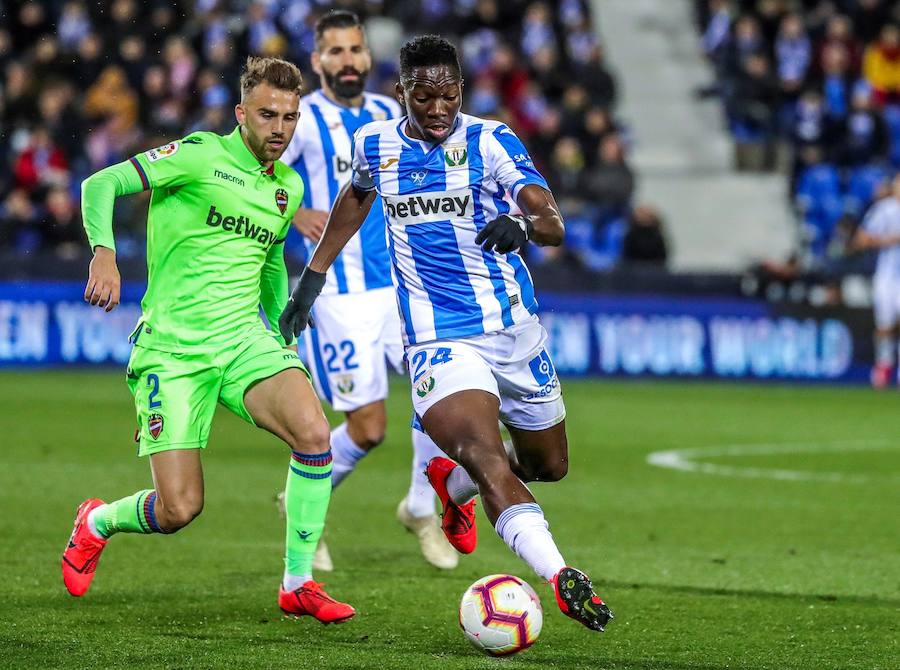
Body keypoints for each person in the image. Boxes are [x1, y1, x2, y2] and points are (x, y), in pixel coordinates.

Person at [280, 35, 614, 633]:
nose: (438, 108)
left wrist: (523, 224)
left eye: (449, 95)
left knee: (547, 464)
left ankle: (448, 486)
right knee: (487, 456)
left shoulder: (490, 140)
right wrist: (313, 275)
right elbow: (356, 196)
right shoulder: (376, 142)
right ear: (402, 90)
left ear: (462, 88)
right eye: (424, 96)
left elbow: (552, 220)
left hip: (513, 330)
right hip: (437, 337)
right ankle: (560, 575)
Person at [60, 56, 355, 624]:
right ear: (241, 113)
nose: (279, 129)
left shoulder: (286, 189)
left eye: (290, 117)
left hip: (244, 340)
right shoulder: (198, 155)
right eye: (268, 115)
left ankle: (297, 581)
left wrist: (281, 319)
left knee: (315, 432)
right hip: (172, 351)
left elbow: (267, 258)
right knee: (179, 509)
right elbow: (102, 183)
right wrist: (104, 252)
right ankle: (96, 521)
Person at [278, 10, 456, 572]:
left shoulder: (388, 113)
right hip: (339, 297)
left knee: (443, 399)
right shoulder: (301, 122)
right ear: (317, 61)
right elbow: (257, 183)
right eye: (335, 52)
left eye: (355, 50)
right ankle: (299, 503)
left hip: (405, 289)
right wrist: (297, 209)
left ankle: (420, 507)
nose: (349, 61)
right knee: (369, 428)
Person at [851, 173, 900, 388]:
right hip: (888, 275)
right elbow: (860, 240)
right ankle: (884, 363)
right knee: (885, 323)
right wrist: (890, 240)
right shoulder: (885, 209)